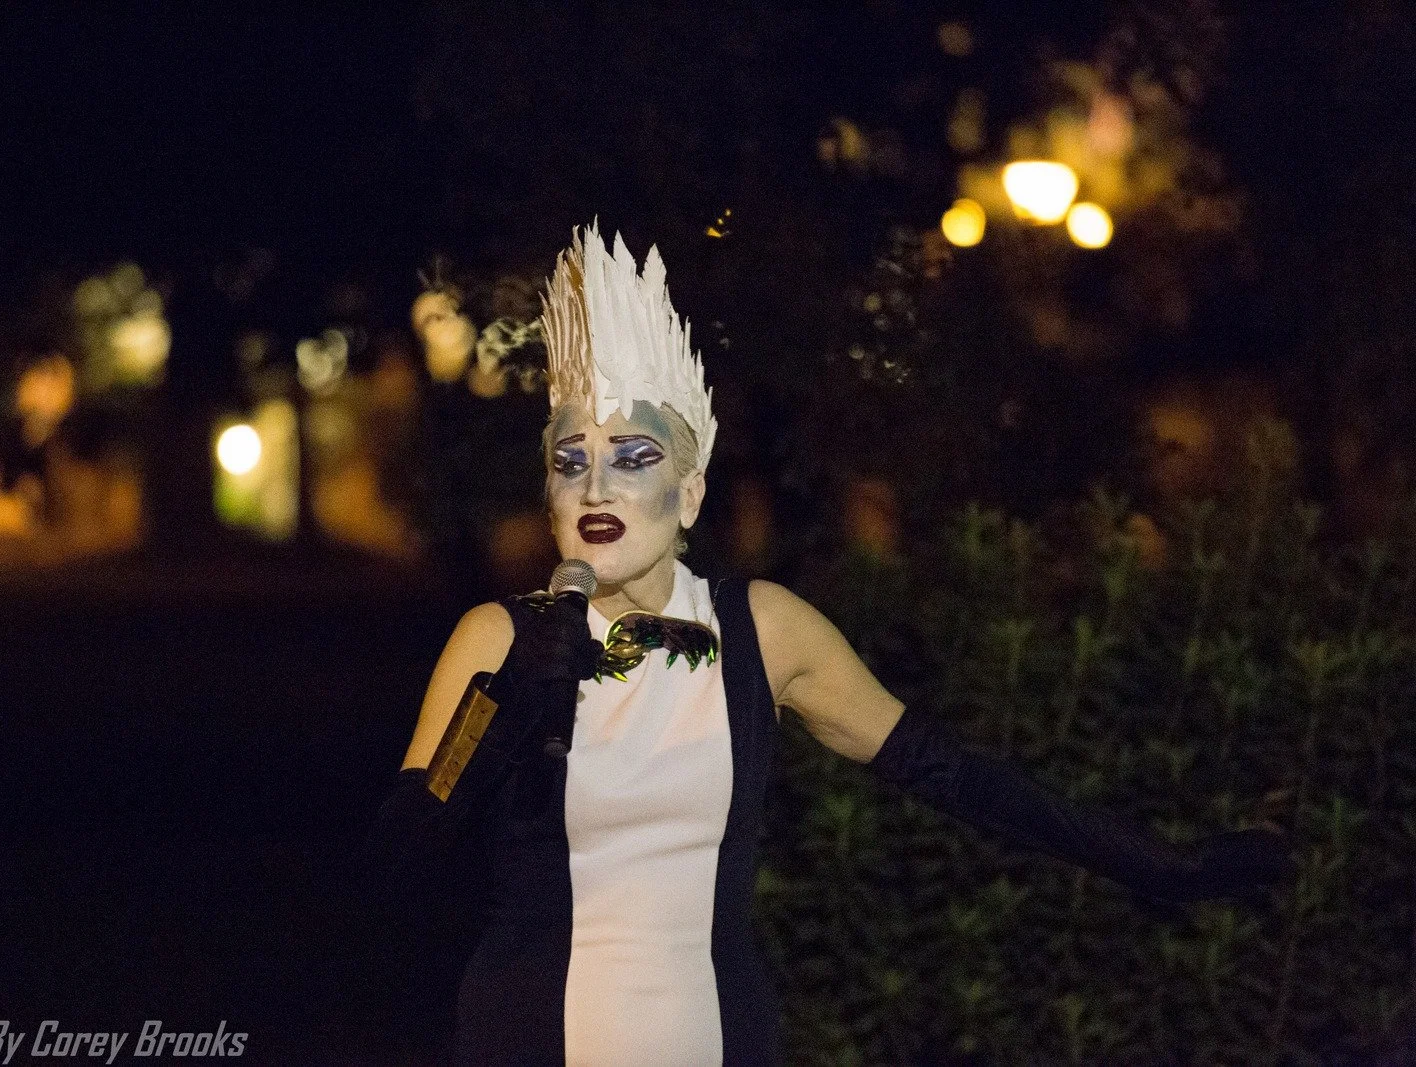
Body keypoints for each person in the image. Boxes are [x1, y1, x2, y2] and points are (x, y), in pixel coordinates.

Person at [360, 221, 1293, 1066]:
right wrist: (506, 706)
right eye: (573, 462)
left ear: (688, 495)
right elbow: (398, 861)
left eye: (634, 457)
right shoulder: (496, 636)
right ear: (552, 496)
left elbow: (955, 773)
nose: (597, 484)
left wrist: (1161, 865)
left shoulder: (765, 628)